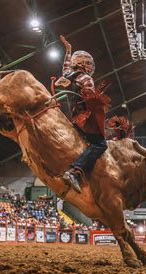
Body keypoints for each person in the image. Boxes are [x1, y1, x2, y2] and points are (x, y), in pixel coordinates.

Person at [57, 35, 110, 193]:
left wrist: (68, 50)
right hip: (82, 119)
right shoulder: (86, 78)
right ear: (88, 66)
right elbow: (89, 98)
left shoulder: (68, 75)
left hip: (71, 116)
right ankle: (75, 171)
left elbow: (65, 68)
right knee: (101, 144)